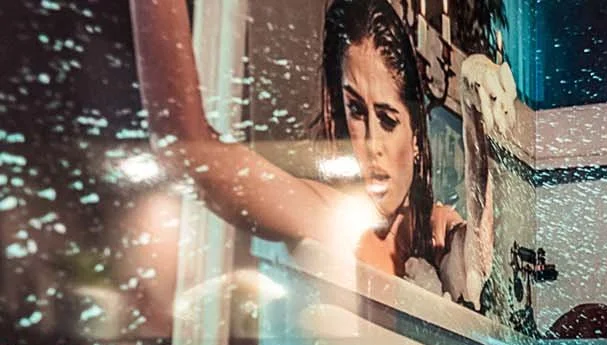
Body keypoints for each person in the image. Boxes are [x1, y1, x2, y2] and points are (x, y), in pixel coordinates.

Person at [129, 0, 509, 309]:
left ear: (415, 136)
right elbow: (188, 154)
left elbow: (477, 265)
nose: (372, 143)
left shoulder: (436, 233)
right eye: (357, 112)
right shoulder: (329, 216)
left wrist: (477, 123)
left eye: (389, 119)